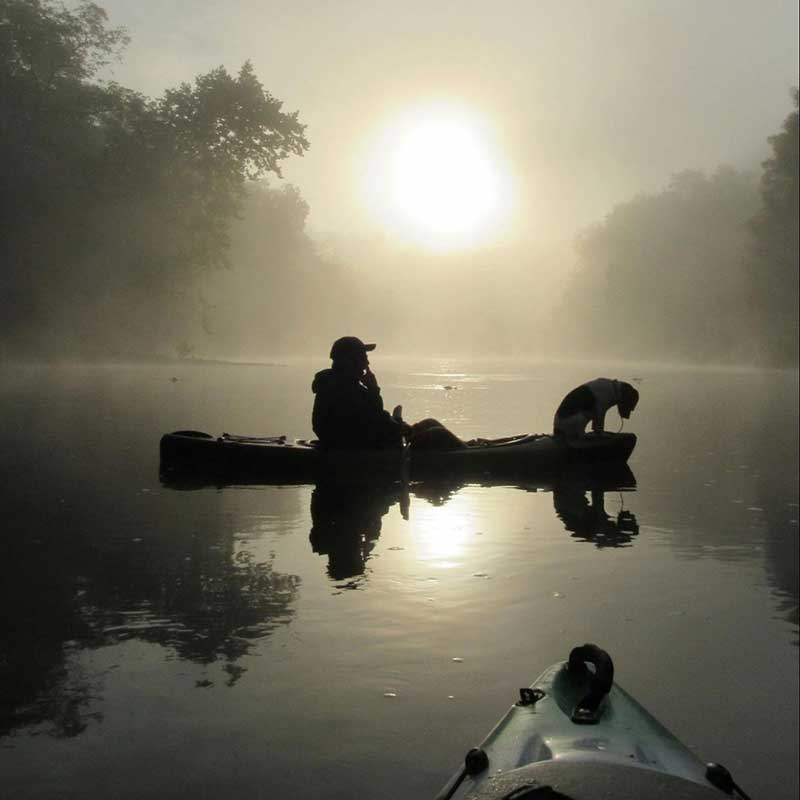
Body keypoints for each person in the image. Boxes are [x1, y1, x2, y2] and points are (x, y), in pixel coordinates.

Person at [311, 336, 464, 450]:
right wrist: (373, 390)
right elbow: (375, 420)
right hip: (358, 448)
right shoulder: (345, 389)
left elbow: (374, 419)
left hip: (363, 441)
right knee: (437, 433)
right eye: (363, 358)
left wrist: (399, 425)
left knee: (429, 423)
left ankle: (466, 447)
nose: (367, 363)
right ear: (350, 361)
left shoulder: (338, 383)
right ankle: (468, 452)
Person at [553, 377, 639, 439]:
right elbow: (599, 413)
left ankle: (582, 434)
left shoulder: (608, 387)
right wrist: (600, 433)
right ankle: (580, 437)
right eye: (630, 407)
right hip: (567, 421)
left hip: (563, 422)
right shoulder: (607, 391)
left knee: (590, 412)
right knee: (591, 413)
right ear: (625, 398)